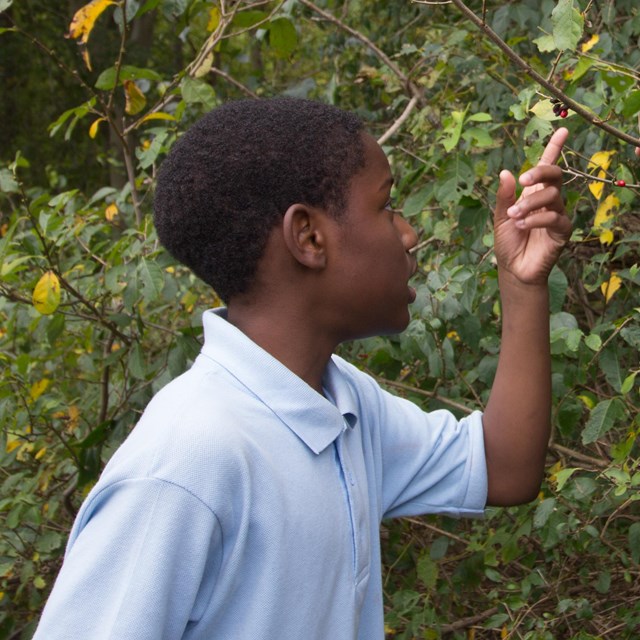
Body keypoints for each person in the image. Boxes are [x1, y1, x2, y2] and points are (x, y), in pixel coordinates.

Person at [32, 97, 570, 640]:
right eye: (387, 207)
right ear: (309, 238)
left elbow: (505, 467)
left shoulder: (341, 404)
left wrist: (522, 286)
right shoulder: (183, 466)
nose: (408, 234)